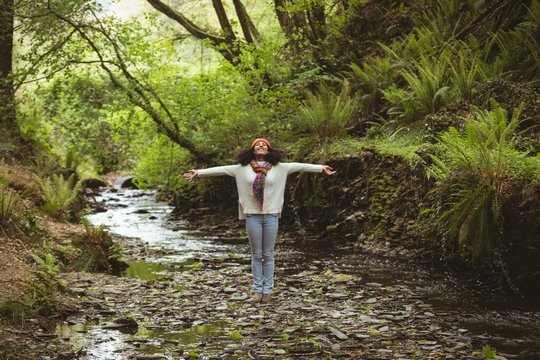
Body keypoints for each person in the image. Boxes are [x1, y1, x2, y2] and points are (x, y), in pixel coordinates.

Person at [183, 138, 336, 304]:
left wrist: (321, 168)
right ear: (252, 150)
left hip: (271, 215)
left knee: (268, 254)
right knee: (257, 254)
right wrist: (198, 173)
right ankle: (257, 291)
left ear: (269, 150)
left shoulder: (281, 168)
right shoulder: (240, 169)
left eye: (264, 144)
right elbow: (220, 170)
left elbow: (301, 166)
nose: (261, 145)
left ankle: (267, 291)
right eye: (257, 144)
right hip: (252, 215)